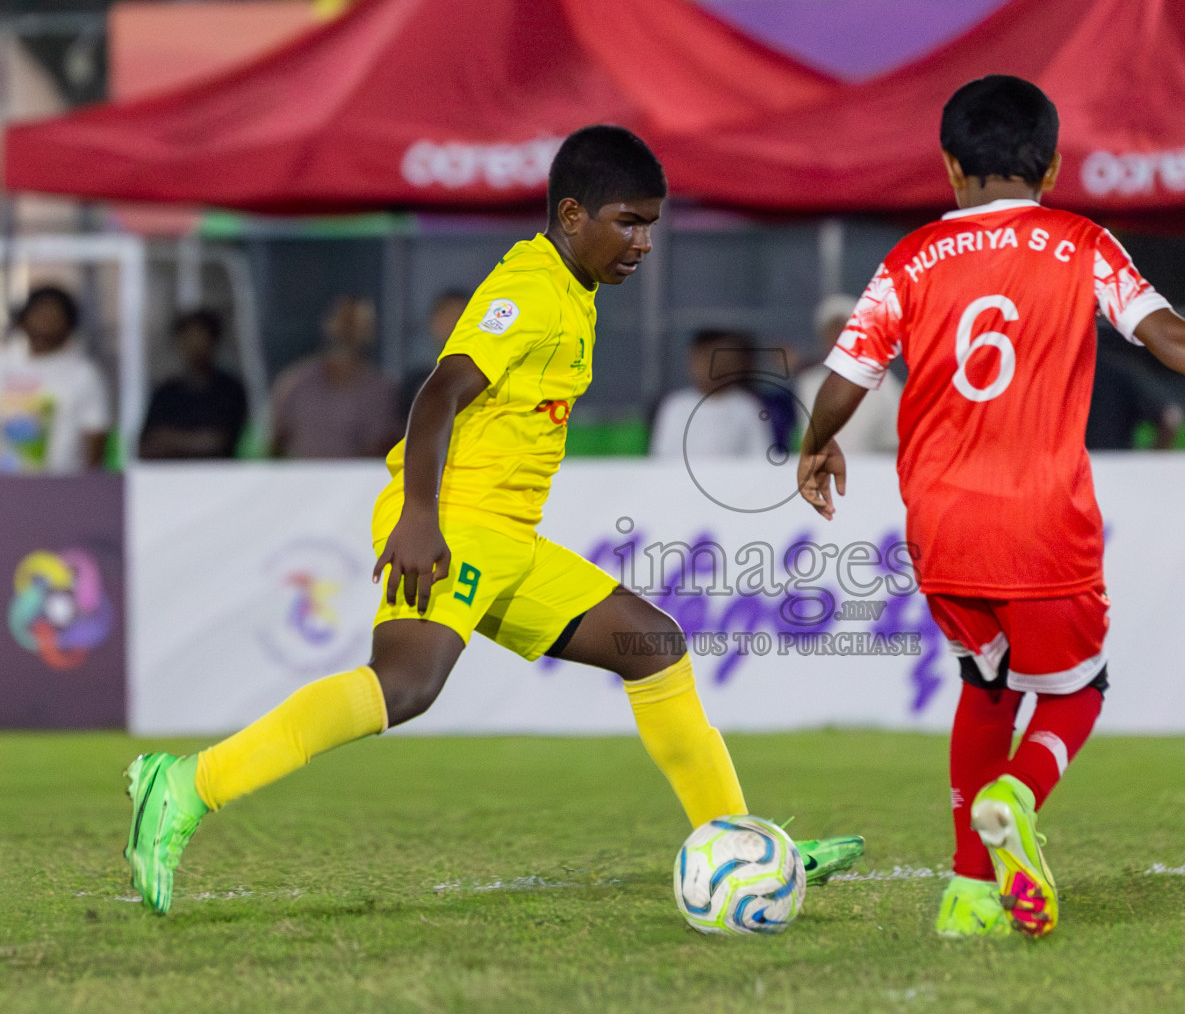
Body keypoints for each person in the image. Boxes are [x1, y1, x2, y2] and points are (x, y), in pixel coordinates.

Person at [122, 125, 862, 915]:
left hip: (507, 538)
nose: (643, 242)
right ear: (572, 214)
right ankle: (187, 785)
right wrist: (418, 516)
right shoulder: (531, 288)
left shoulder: (571, 289)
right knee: (404, 686)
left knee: (654, 647)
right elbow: (441, 390)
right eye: (628, 221)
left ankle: (740, 846)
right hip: (453, 524)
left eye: (651, 223)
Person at [797, 76, 1185, 939]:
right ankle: (1017, 797)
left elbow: (846, 377)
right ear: (1053, 163)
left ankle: (968, 894)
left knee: (984, 686)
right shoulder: (1080, 244)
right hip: (1039, 523)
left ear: (949, 165)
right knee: (1076, 692)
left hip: (939, 525)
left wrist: (815, 442)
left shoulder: (908, 259)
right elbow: (1168, 335)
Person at [270, 295, 400, 459]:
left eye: (357, 323)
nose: (349, 329)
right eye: (344, 320)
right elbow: (275, 443)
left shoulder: (381, 390)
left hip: (360, 481)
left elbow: (382, 447)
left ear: (372, 331)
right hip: (299, 480)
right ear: (328, 324)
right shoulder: (295, 382)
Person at [0, 285, 111, 473]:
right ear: (23, 319)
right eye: (40, 313)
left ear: (70, 324)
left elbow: (95, 433)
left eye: (55, 315)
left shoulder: (83, 373)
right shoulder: (4, 363)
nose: (46, 321)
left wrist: (87, 486)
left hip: (61, 485)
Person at [795, 295, 901, 453]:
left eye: (843, 330)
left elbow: (896, 439)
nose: (838, 338)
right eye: (832, 332)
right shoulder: (807, 383)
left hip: (873, 473)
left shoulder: (883, 381)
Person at [139, 310, 249, 460]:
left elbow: (218, 442)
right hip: (169, 478)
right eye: (187, 338)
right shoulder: (166, 393)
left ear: (213, 340)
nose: (194, 346)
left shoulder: (229, 390)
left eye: (200, 338)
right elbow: (149, 444)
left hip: (219, 477)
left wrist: (172, 440)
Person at [649, 328, 776, 459]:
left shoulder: (747, 407)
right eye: (705, 358)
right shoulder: (675, 405)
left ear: (739, 364)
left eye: (722, 360)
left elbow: (761, 458)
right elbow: (660, 458)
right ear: (691, 361)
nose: (713, 366)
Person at [1085, 325, 1183, 451]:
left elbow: (1169, 417)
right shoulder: (1120, 372)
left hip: (1073, 464)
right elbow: (1170, 418)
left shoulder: (1059, 376)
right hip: (1116, 463)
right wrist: (1154, 463)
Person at [399, 289, 472, 423]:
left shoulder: (481, 380)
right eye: (447, 316)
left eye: (460, 317)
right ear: (433, 321)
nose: (453, 325)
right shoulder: (413, 383)